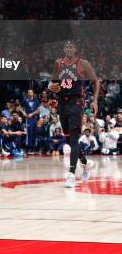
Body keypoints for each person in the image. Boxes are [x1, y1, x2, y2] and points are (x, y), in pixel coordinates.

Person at [48, 40, 99, 188]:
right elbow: (52, 82)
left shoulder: (83, 64)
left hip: (76, 102)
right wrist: (51, 86)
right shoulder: (58, 63)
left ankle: (71, 175)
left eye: (72, 47)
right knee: (70, 141)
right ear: (64, 49)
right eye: (67, 47)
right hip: (62, 103)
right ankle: (85, 163)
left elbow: (96, 82)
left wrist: (94, 101)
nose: (69, 49)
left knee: (75, 138)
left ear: (76, 49)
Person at [19, 89, 40, 154]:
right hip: (28, 119)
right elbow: (19, 107)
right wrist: (23, 113)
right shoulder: (25, 100)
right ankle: (28, 149)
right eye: (28, 92)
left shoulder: (36, 100)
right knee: (29, 133)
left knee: (34, 133)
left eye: (31, 92)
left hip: (34, 118)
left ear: (33, 93)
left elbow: (38, 110)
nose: (29, 93)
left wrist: (32, 114)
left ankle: (34, 148)